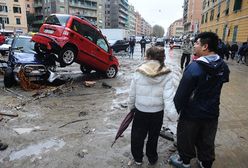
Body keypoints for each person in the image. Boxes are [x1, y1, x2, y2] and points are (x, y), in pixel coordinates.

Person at [169, 32, 230, 168]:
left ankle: (184, 162)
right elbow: (223, 80)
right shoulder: (223, 66)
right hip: (212, 112)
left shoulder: (194, 67)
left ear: (205, 47)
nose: (194, 46)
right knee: (207, 140)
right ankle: (205, 163)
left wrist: (174, 112)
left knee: (186, 138)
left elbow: (182, 94)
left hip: (192, 114)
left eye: (196, 43)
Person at [128, 46, 175, 165]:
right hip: (157, 112)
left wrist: (131, 107)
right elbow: (169, 97)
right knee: (153, 137)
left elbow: (132, 93)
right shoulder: (167, 73)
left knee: (137, 136)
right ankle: (152, 158)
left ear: (148, 57)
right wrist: (173, 115)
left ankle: (138, 158)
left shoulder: (139, 71)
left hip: (140, 111)